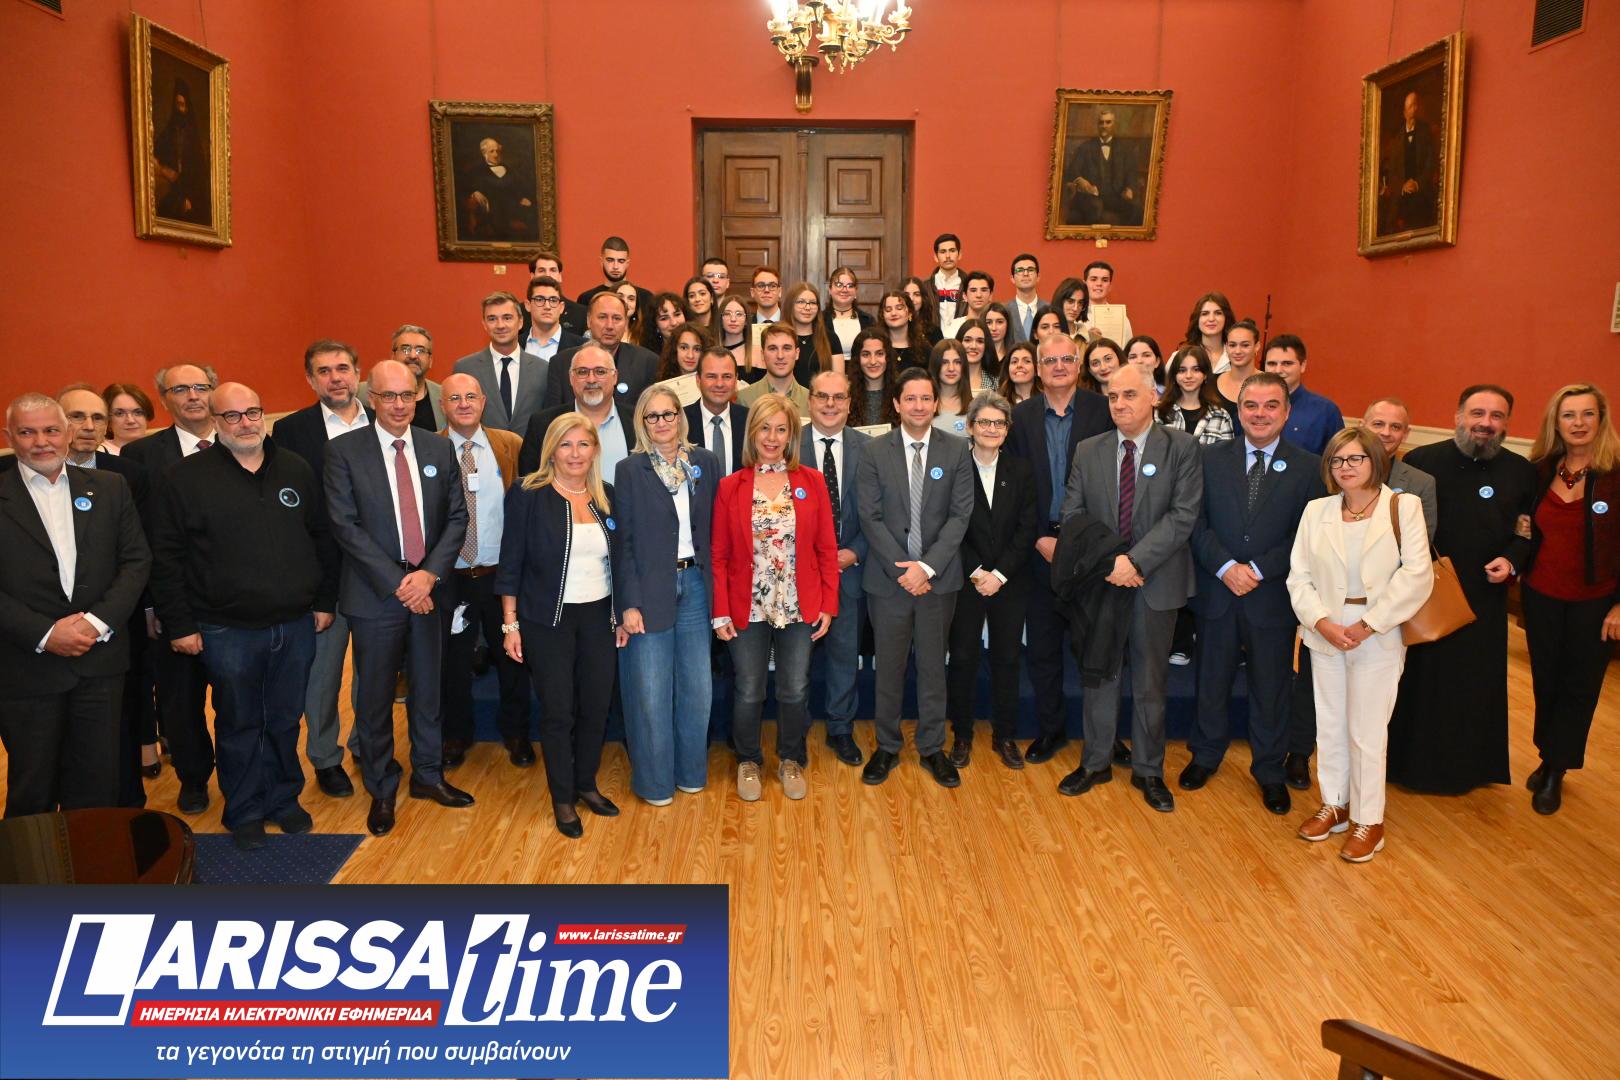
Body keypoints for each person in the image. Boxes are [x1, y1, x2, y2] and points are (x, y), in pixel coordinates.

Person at [147, 383, 334, 850]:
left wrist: (324, 601)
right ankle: (245, 808)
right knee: (239, 721)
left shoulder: (295, 468)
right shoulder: (183, 479)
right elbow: (166, 557)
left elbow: (322, 538)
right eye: (232, 416)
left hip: (295, 623)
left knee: (285, 718)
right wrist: (180, 624)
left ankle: (284, 800)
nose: (245, 423)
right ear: (215, 421)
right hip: (225, 628)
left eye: (253, 412)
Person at [325, 360, 472, 837]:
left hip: (430, 591)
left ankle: (428, 774)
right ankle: (381, 785)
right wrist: (399, 582)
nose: (399, 405)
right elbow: (345, 525)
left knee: (429, 689)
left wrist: (427, 576)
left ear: (418, 397)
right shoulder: (344, 451)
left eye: (407, 395)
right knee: (374, 697)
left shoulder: (438, 447)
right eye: (388, 396)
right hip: (376, 596)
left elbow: (457, 518)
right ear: (371, 399)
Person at [1055, 364, 1200, 811]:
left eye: (1130, 395)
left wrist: (1135, 562)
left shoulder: (1182, 448)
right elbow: (1074, 516)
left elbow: (1183, 516)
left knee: (1151, 679)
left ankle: (1149, 769)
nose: (1119, 404)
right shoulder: (1089, 450)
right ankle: (1096, 761)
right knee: (1099, 674)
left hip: (1156, 581)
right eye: (1113, 396)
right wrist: (1111, 562)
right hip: (1102, 582)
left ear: (1153, 396)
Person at [0, 394, 149, 817]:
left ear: (67, 433)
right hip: (25, 665)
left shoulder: (110, 487)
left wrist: (96, 624)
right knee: (33, 787)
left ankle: (90, 860)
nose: (41, 442)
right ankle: (31, 863)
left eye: (51, 430)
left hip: (99, 661)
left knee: (97, 784)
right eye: (27, 432)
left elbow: (136, 561)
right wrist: (46, 634)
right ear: (9, 437)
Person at [1182, 372, 1324, 815]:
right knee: (1211, 680)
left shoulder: (1309, 468)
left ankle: (1268, 769)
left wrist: (1259, 570)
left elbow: (1306, 534)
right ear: (1238, 410)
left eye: (1270, 405)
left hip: (1272, 597)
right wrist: (1227, 567)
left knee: (1271, 687)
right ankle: (1205, 755)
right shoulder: (1207, 458)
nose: (1260, 414)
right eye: (1251, 405)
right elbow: (1194, 522)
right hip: (1218, 591)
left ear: (1286, 411)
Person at [1288, 427, 1432, 862]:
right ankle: (1335, 803)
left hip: (1378, 632)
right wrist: (1321, 622)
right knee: (1330, 723)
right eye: (1337, 460)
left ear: (1375, 460)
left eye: (1355, 459)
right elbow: (1299, 576)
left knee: (1367, 730)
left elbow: (1417, 575)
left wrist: (1369, 625)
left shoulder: (1403, 506)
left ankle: (1369, 819)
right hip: (1326, 630)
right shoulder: (1316, 510)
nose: (1345, 467)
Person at [1388, 385, 1538, 794]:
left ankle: (1468, 769)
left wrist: (1511, 559)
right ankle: (1407, 765)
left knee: (1475, 685)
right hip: (1428, 591)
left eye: (1496, 416)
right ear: (1458, 416)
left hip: (1485, 595)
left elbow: (1525, 531)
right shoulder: (1422, 462)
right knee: (1421, 681)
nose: (1485, 423)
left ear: (1506, 423)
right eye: (1477, 413)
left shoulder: (1521, 472)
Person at [497, 412, 620, 838]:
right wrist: (510, 624)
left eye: (583, 444)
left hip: (599, 618)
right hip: (547, 620)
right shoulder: (528, 494)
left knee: (596, 706)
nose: (574, 453)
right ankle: (563, 797)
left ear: (595, 450)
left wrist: (622, 613)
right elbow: (511, 562)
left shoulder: (606, 496)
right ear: (551, 450)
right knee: (558, 711)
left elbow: (621, 561)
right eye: (565, 444)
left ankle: (586, 783)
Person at [712, 395, 839, 800]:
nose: (772, 437)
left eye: (781, 429)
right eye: (764, 428)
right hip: (746, 604)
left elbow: (826, 549)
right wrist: (719, 611)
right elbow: (718, 556)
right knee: (749, 688)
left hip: (800, 603)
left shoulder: (811, 482)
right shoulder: (731, 486)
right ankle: (748, 760)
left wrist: (829, 604)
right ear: (752, 433)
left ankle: (790, 758)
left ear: (791, 435)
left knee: (794, 688)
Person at [855, 367, 975, 788]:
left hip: (937, 581)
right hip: (889, 581)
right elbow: (869, 517)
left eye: (926, 398)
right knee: (888, 668)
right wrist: (903, 569)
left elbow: (960, 515)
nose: (919, 406)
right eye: (911, 398)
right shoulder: (874, 451)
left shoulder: (956, 450)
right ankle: (887, 747)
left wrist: (926, 567)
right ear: (896, 404)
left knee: (932, 667)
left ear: (936, 404)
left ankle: (931, 747)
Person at [263, 340, 369, 799]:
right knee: (322, 676)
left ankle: (368, 744)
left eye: (342, 368)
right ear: (310, 380)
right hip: (323, 573)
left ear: (358, 372)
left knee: (373, 670)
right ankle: (325, 758)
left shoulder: (384, 418)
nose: (335, 378)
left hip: (378, 572)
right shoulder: (290, 431)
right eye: (323, 371)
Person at [1006, 332, 1114, 764]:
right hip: (1039, 547)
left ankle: (1104, 736)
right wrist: (1039, 536)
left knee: (1097, 647)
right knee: (1044, 648)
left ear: (1079, 364)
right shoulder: (1020, 417)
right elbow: (1014, 485)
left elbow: (1113, 482)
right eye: (1049, 360)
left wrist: (1080, 542)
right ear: (1037, 368)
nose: (1058, 367)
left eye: (1067, 359)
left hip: (1091, 549)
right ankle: (1051, 730)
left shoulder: (1103, 411)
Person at [613, 386, 721, 805]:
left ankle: (691, 771)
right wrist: (628, 603)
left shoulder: (705, 462)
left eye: (668, 414)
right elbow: (623, 542)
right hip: (649, 589)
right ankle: (656, 783)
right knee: (651, 691)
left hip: (696, 585)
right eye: (652, 416)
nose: (662, 422)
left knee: (698, 688)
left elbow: (715, 531)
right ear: (642, 422)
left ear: (680, 416)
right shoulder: (630, 469)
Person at [1519, 384, 1620, 814]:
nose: (1578, 423)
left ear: (1601, 420)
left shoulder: (1616, 474)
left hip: (1595, 603)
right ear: (1555, 423)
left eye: (1587, 414)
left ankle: (1556, 770)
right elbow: (1523, 526)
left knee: (1579, 686)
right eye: (1569, 415)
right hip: (1541, 595)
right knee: (1546, 681)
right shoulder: (1540, 469)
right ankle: (1548, 754)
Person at [123, 363, 219, 814]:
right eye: (181, 389)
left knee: (241, 700)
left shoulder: (244, 442)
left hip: (236, 601)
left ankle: (242, 775)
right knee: (181, 702)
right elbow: (137, 538)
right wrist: (152, 605)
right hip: (171, 601)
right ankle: (193, 777)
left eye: (201, 387)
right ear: (163, 399)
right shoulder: (140, 457)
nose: (193, 396)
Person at [436, 373, 532, 770]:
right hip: (452, 576)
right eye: (454, 398)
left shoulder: (509, 445)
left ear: (483, 401)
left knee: (513, 659)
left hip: (501, 575)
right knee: (453, 662)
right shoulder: (430, 448)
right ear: (442, 405)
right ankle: (456, 735)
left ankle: (517, 733)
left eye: (470, 397)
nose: (463, 404)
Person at [945, 392, 1037, 770]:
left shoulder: (1022, 471)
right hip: (966, 580)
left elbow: (1027, 528)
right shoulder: (955, 469)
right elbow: (949, 527)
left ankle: (1005, 735)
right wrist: (976, 572)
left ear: (1007, 430)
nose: (991, 429)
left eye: (999, 423)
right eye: (984, 422)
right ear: (970, 427)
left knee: (1007, 658)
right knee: (963, 658)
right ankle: (962, 735)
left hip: (1009, 580)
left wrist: (998, 575)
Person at [800, 370, 871, 766]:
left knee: (845, 654)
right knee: (797, 657)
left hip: (850, 569)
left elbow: (880, 512)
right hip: (800, 574)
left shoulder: (869, 448)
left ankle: (841, 728)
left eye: (838, 397)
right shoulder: (788, 445)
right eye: (822, 396)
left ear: (849, 403)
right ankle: (795, 729)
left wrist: (855, 552)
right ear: (809, 401)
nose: (830, 404)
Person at [519, 342, 636, 478]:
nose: (591, 379)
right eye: (582, 372)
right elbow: (529, 481)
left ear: (614, 377)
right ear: (571, 378)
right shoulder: (542, 425)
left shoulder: (638, 420)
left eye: (600, 371)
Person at [543, 291, 659, 411]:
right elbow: (552, 415)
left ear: (625, 323)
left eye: (617, 318)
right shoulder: (561, 363)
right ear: (589, 321)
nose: (609, 326)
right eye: (602, 317)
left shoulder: (647, 363)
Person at [452, 292, 542, 435]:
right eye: (492, 319)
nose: (500, 325)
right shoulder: (465, 368)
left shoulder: (543, 369)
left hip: (530, 448)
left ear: (520, 322)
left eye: (507, 318)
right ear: (484, 324)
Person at [1362, 398, 1438, 540]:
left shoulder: (1422, 483)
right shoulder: (1339, 471)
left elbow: (1421, 541)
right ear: (1362, 427)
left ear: (1406, 434)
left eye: (1395, 427)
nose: (1386, 432)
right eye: (1378, 424)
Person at [1262, 334, 1342, 455]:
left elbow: (1338, 457)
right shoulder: (1251, 407)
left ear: (1303, 365)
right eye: (1272, 364)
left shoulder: (1326, 412)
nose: (1278, 370)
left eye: (1287, 363)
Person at [1064, 110, 1142, 226]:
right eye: (1101, 122)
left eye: (1108, 122)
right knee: (1095, 208)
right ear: (1098, 125)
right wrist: (1080, 180)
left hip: (1115, 197)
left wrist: (1130, 188)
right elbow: (1072, 170)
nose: (1104, 126)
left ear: (1114, 125)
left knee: (1137, 211)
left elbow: (1131, 173)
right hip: (1091, 196)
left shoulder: (1125, 149)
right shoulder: (1086, 147)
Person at [361, 325, 443, 432]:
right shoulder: (362, 393)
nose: (413, 356)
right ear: (393, 356)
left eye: (420, 351)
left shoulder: (443, 395)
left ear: (430, 360)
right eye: (405, 349)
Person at [1379, 91, 1439, 233]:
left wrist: (1417, 184)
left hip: (1422, 196)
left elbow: (1431, 164)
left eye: (1416, 105)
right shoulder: (1397, 140)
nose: (1415, 109)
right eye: (1411, 106)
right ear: (1404, 113)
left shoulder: (1426, 132)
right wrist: (1403, 186)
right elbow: (1392, 173)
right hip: (1401, 200)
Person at [153, 77, 208, 223]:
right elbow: (153, 154)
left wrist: (189, 196)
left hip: (191, 192)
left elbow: (198, 173)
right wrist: (163, 170)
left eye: (182, 105)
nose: (179, 109)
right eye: (177, 104)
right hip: (175, 188)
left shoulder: (192, 135)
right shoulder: (169, 131)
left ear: (187, 107)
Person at [459, 136, 535, 241]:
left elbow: (521, 187)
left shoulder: (509, 169)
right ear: (484, 153)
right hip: (489, 214)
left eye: (497, 151)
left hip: (512, 210)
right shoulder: (476, 170)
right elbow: (464, 188)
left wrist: (524, 198)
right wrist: (474, 192)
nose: (496, 155)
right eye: (492, 151)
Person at [687, 346, 748, 474]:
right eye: (711, 376)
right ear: (698, 379)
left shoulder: (750, 420)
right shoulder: (681, 421)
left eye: (727, 376)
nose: (719, 384)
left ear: (736, 379)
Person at [1157, 344, 1235, 444]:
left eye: (1196, 369)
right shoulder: (1160, 412)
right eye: (1182, 370)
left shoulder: (1221, 416)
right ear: (1174, 375)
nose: (1188, 375)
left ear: (1205, 374)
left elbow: (1227, 453)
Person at [736, 324, 810, 414]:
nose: (780, 356)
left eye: (786, 348)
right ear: (762, 354)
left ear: (797, 353)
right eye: (773, 349)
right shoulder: (744, 399)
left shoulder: (811, 400)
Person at [575, 236, 653, 316]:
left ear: (627, 264)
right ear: (601, 262)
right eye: (610, 260)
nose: (615, 266)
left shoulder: (645, 297)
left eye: (621, 261)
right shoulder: (587, 298)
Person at [522, 275, 585, 370]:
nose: (547, 306)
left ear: (561, 307)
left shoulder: (582, 347)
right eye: (539, 299)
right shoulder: (515, 345)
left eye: (553, 300)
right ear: (528, 305)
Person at [1168, 292, 1235, 376]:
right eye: (1205, 314)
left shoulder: (1237, 354)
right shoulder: (1178, 357)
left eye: (1218, 313)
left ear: (1226, 318)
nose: (1211, 319)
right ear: (1197, 319)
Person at [524, 251, 587, 337]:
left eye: (553, 270)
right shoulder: (519, 313)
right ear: (532, 276)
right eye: (541, 270)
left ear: (560, 276)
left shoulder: (581, 313)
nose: (548, 275)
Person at [785, 282, 835, 385]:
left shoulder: (830, 338)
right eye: (801, 302)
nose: (807, 307)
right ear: (790, 305)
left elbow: (838, 381)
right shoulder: (780, 337)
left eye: (812, 303)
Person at [1072, 261, 1134, 343]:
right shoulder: (1073, 314)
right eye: (1093, 279)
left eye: (1104, 280)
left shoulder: (1121, 318)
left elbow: (1128, 348)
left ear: (1110, 286)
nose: (1099, 284)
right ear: (1084, 284)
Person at [849, 329, 899, 429]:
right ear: (857, 359)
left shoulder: (901, 393)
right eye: (866, 354)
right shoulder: (846, 395)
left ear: (888, 357)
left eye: (879, 354)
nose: (873, 361)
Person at [822, 266, 873, 358]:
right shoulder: (819, 320)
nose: (844, 290)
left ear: (856, 291)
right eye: (839, 285)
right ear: (830, 290)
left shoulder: (868, 320)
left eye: (850, 286)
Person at [1213, 319, 1260, 411]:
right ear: (1226, 347)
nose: (1237, 351)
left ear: (1257, 346)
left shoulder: (1271, 384)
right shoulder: (1211, 383)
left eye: (1245, 345)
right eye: (1232, 345)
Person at [930, 338, 973, 437]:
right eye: (944, 362)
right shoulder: (922, 405)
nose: (951, 368)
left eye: (957, 362)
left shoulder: (975, 407)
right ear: (935, 365)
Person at [920, 233, 964, 329]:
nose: (948, 256)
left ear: (959, 254)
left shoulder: (968, 286)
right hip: (933, 337)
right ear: (936, 257)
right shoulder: (925, 287)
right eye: (943, 252)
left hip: (961, 337)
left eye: (952, 251)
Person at [879, 289, 930, 370]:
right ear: (882, 315)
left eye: (899, 308)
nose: (893, 313)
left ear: (910, 313)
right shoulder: (876, 346)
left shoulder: (924, 349)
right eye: (888, 309)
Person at [1007, 254, 1049, 343]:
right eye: (1020, 270)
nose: (1025, 274)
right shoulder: (1005, 311)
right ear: (1012, 278)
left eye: (1030, 270)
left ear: (1038, 277)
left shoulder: (1050, 309)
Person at [102, 383, 154, 453]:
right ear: (107, 420)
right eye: (120, 413)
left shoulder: (160, 449)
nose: (131, 421)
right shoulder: (98, 454)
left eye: (138, 412)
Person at [942, 270, 994, 338]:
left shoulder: (995, 327)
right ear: (965, 296)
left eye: (984, 290)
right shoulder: (954, 327)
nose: (978, 295)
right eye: (973, 290)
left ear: (990, 295)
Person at [716, 295, 755, 379]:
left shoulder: (759, 354)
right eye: (727, 314)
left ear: (746, 320)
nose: (733, 319)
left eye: (739, 314)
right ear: (721, 319)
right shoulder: (710, 353)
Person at [956, 318, 996, 390]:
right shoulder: (948, 379)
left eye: (980, 341)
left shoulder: (996, 383)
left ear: (986, 345)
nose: (973, 346)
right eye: (967, 340)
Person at [644, 291, 688, 356]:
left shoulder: (701, 348)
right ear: (655, 325)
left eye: (677, 314)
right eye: (664, 318)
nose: (674, 323)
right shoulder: (649, 356)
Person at [997, 340, 1039, 404]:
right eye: (1014, 362)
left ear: (1037, 368)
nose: (1019, 365)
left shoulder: (1047, 399)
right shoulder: (997, 401)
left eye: (1027, 361)